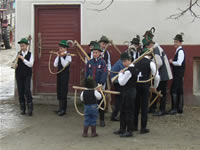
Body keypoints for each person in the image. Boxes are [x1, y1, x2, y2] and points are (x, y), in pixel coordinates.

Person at [142, 28, 173, 116]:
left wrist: (152, 69)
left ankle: (162, 109)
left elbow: (159, 62)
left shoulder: (156, 49)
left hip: (163, 74)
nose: (147, 48)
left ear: (150, 44)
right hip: (158, 73)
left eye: (147, 46)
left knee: (161, 92)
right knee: (155, 90)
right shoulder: (154, 49)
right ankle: (153, 107)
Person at [134, 40, 160, 134]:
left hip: (136, 86)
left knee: (136, 106)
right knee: (144, 107)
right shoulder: (150, 63)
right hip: (145, 86)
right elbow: (156, 76)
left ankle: (134, 125)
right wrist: (154, 86)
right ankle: (143, 128)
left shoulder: (135, 62)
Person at [114, 52, 139, 137]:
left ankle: (129, 131)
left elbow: (121, 82)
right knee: (123, 111)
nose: (124, 63)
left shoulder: (129, 71)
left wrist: (120, 74)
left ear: (129, 60)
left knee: (128, 112)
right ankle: (122, 129)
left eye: (125, 61)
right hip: (129, 92)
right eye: (123, 62)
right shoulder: (134, 69)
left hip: (129, 92)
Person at [85, 41, 108, 127]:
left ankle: (102, 119)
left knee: (100, 103)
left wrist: (100, 84)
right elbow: (87, 73)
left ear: (100, 53)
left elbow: (104, 73)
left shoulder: (102, 63)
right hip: (91, 86)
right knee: (91, 103)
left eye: (96, 53)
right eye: (93, 52)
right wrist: (87, 83)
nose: (94, 54)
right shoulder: (90, 62)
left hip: (99, 86)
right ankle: (91, 120)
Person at [15, 38, 34, 116]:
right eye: (21, 46)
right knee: (20, 91)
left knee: (27, 90)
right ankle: (22, 108)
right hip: (19, 75)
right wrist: (14, 64)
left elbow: (30, 64)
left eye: (23, 46)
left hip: (27, 75)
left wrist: (23, 59)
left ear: (27, 46)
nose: (22, 47)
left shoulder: (30, 54)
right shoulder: (18, 54)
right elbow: (14, 62)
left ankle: (30, 108)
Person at [168, 33, 186, 115]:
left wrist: (172, 62)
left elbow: (179, 63)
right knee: (179, 90)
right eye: (174, 42)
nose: (175, 43)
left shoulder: (180, 51)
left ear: (180, 43)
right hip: (178, 74)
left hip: (178, 74)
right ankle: (179, 108)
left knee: (174, 90)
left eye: (176, 42)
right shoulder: (178, 51)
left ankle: (175, 108)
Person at [54, 40, 72, 116]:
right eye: (59, 48)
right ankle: (60, 108)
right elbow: (55, 65)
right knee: (59, 91)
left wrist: (61, 57)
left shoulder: (69, 56)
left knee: (64, 91)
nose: (60, 50)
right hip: (59, 75)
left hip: (65, 76)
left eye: (62, 48)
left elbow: (64, 65)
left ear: (65, 48)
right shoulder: (59, 55)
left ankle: (63, 110)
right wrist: (58, 56)